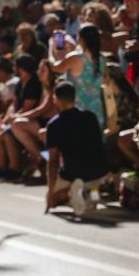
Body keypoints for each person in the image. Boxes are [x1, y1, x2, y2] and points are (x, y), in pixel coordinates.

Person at [44, 81, 108, 217]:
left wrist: (51, 193)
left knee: (55, 200)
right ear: (74, 98)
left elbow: (53, 162)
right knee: (91, 187)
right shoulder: (90, 117)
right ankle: (91, 193)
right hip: (99, 172)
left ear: (57, 100)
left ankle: (70, 193)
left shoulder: (54, 124)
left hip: (73, 173)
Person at [50, 24, 106, 127]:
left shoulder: (76, 58)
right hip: (97, 111)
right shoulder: (102, 59)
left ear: (81, 39)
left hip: (77, 112)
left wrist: (52, 48)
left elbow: (55, 67)